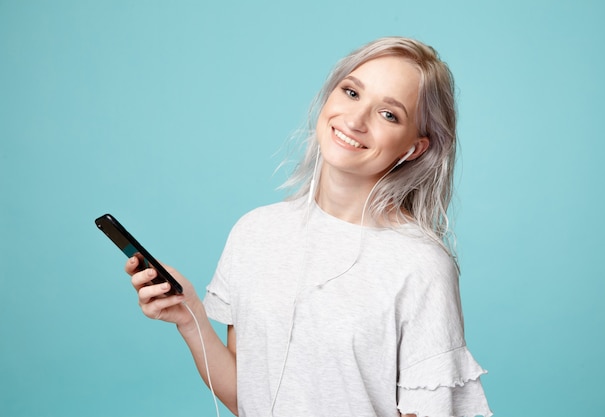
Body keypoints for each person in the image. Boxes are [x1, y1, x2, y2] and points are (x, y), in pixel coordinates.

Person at [126, 36, 492, 417]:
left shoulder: (421, 266)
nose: (354, 120)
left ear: (414, 148)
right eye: (351, 92)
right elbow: (247, 397)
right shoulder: (255, 233)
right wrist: (190, 316)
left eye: (389, 114)